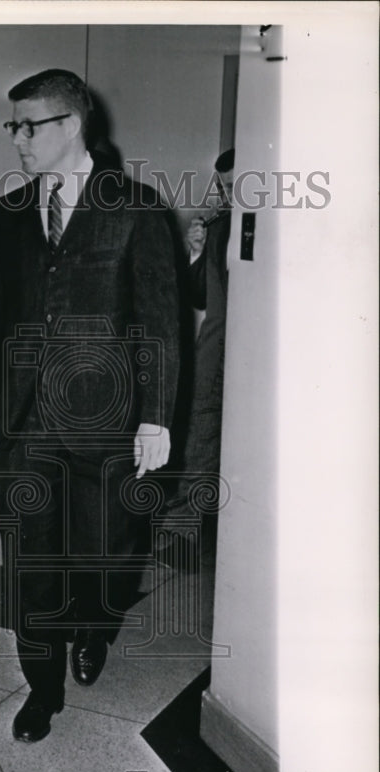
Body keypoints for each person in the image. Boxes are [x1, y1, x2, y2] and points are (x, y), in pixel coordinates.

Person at [0, 69, 180, 742]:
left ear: (70, 127)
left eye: (29, 126)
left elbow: (160, 323)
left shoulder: (135, 208)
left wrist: (156, 416)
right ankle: (41, 689)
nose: (17, 139)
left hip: (108, 424)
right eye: (12, 127)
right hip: (26, 426)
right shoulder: (11, 211)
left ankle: (94, 625)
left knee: (106, 555)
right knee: (34, 564)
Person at [176, 148, 234, 531]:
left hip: (252, 349)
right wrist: (196, 252)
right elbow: (200, 296)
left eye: (237, 185)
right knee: (200, 429)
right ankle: (188, 531)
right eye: (225, 187)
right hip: (216, 347)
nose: (230, 194)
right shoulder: (219, 226)